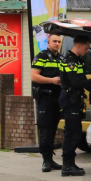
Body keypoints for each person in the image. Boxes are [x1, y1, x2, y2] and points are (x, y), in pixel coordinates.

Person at [58, 35, 91, 177]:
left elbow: (83, 80)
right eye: (86, 48)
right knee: (72, 133)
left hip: (74, 100)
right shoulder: (70, 61)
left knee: (75, 132)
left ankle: (70, 163)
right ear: (79, 46)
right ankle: (67, 166)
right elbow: (75, 82)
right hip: (70, 100)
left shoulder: (77, 61)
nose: (87, 51)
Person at [31, 34, 64, 172]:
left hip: (57, 98)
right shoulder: (42, 56)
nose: (57, 44)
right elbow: (34, 75)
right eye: (54, 41)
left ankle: (50, 159)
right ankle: (45, 160)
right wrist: (51, 81)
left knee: (52, 129)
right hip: (45, 98)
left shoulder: (61, 58)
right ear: (48, 42)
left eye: (59, 41)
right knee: (45, 129)